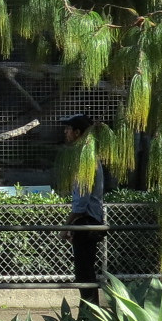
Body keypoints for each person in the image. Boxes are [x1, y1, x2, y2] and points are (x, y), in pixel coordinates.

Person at [61, 113, 106, 304]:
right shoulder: (89, 157)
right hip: (89, 220)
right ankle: (89, 314)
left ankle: (90, 316)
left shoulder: (85, 159)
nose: (65, 132)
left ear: (78, 132)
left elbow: (81, 201)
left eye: (69, 129)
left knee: (84, 273)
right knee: (85, 271)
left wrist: (66, 226)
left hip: (86, 221)